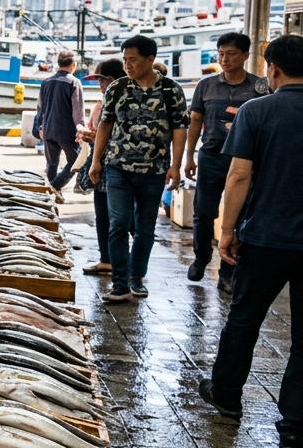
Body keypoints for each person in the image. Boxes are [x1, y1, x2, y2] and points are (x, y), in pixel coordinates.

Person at [197, 34, 303, 448]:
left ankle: (226, 394)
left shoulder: (257, 110)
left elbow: (239, 175)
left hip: (265, 236)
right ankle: (295, 428)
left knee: (245, 317)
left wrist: (226, 230)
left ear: (271, 69)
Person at [89, 34, 189, 302]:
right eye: (125, 60)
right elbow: (105, 125)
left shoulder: (170, 90)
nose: (128, 65)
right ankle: (120, 284)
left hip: (154, 170)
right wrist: (96, 160)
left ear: (150, 59)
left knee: (145, 228)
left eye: (133, 60)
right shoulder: (118, 88)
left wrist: (176, 165)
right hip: (117, 166)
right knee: (118, 224)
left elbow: (181, 128)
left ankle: (136, 277)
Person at [183, 32, 270, 292]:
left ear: (245, 55)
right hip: (211, 155)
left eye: (231, 54)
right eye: (221, 53)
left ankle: (228, 271)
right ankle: (201, 257)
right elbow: (195, 121)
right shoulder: (206, 85)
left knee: (240, 214)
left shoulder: (259, 88)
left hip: (244, 159)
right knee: (203, 211)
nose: (225, 59)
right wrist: (190, 155)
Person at [80, 61, 123, 276]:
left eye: (104, 79)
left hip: (115, 166)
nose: (101, 84)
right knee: (102, 214)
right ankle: (106, 258)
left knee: (118, 216)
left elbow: (118, 136)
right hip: (101, 165)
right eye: (99, 80)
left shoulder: (123, 101)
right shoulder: (104, 100)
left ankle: (124, 265)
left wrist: (95, 138)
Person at [35, 51, 85, 201]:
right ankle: (54, 187)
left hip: (48, 128)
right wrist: (80, 127)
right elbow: (78, 108)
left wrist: (40, 126)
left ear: (59, 64)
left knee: (52, 162)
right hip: (66, 130)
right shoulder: (74, 82)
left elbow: (40, 107)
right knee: (76, 161)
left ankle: (50, 194)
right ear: (73, 65)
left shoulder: (46, 81)